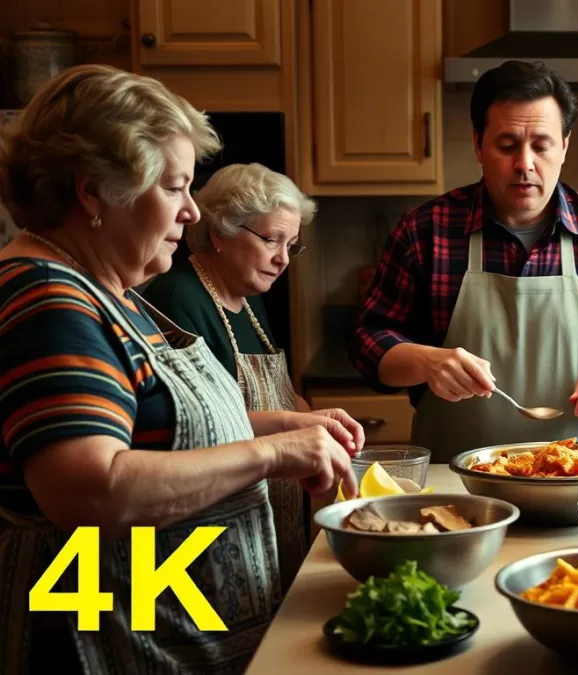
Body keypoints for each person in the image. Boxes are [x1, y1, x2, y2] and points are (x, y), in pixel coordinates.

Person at [0, 64, 363, 674]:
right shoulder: (46, 296)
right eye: (174, 188)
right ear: (94, 190)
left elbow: (151, 429)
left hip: (175, 635)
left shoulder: (107, 287)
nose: (193, 213)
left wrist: (275, 427)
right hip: (107, 642)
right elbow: (91, 491)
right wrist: (272, 457)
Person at [350, 59, 578, 462]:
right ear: (478, 145)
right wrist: (426, 362)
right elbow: (367, 340)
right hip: (455, 481)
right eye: (507, 146)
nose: (525, 164)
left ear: (565, 147)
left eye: (541, 145)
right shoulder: (425, 232)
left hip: (577, 474)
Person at [141, 162, 317, 597]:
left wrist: (314, 419)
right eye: (272, 239)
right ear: (219, 232)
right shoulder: (179, 296)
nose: (281, 258)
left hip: (272, 497)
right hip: (214, 519)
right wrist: (295, 431)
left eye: (291, 245)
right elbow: (200, 421)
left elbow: (278, 395)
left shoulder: (249, 299)